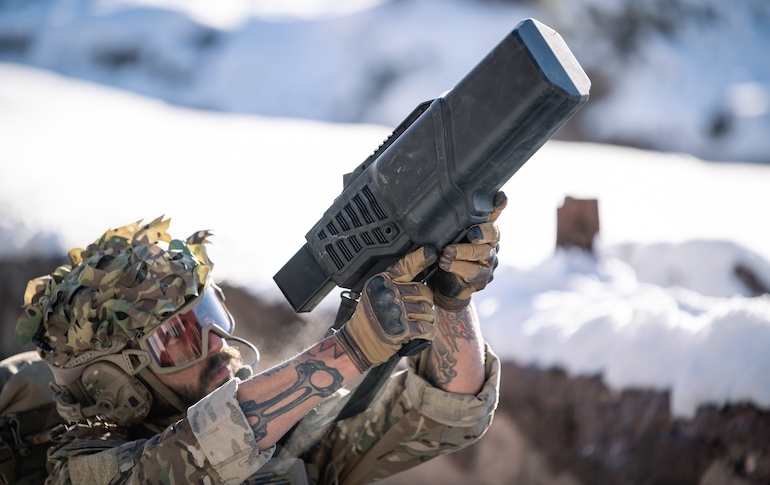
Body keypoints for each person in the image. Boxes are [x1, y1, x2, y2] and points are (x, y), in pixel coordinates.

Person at [11, 193, 506, 485]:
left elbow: (447, 409)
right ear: (114, 384)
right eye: (180, 338)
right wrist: (352, 350)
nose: (217, 342)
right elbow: (189, 456)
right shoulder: (79, 470)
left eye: (209, 313)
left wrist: (449, 302)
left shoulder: (280, 435)